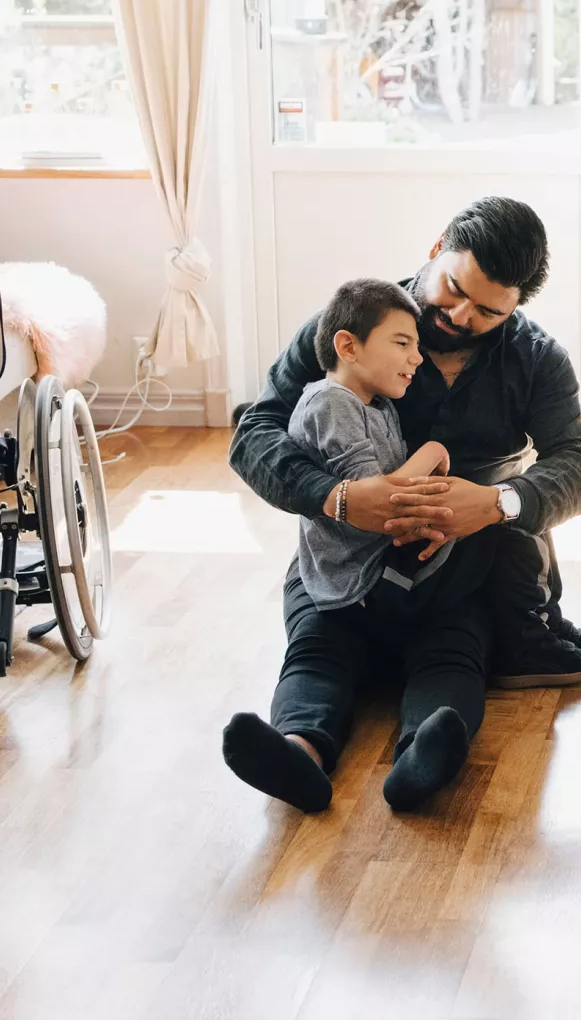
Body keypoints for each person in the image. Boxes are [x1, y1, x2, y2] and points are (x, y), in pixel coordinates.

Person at [230, 196, 581, 693]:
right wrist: (335, 497)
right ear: (437, 248)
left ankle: (533, 627)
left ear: (515, 306)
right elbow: (254, 432)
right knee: (318, 671)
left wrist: (496, 502)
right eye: (454, 289)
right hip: (346, 557)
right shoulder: (351, 324)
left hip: (474, 561)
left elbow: (579, 465)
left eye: (488, 311)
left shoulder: (538, 359)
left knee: (452, 673)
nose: (459, 315)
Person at [222, 279, 496, 812]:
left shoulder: (376, 403)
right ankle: (295, 750)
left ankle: (423, 755)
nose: (418, 358)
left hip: (389, 579)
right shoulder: (331, 401)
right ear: (348, 346)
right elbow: (382, 499)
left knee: (452, 658)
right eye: (402, 344)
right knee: (318, 660)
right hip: (355, 584)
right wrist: (434, 453)